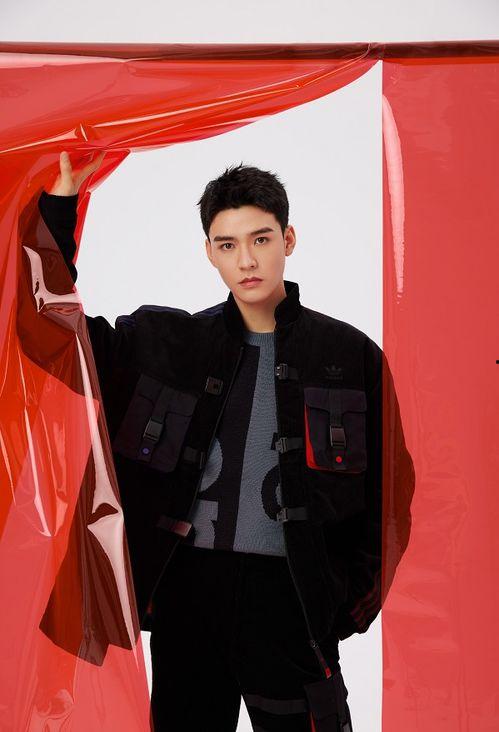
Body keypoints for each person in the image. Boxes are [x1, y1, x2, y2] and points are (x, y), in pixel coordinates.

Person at [28, 150, 414, 731]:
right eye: (228, 244)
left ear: (288, 239)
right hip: (188, 595)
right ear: (209, 252)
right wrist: (60, 207)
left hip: (293, 602)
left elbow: (392, 495)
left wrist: (342, 606)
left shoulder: (350, 356)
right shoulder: (164, 344)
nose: (246, 260)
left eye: (260, 239)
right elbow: (54, 336)